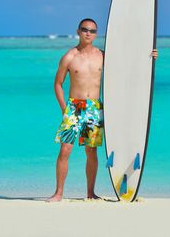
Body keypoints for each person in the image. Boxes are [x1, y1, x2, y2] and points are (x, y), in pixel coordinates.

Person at [46, 18, 158, 202]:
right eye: (84, 29)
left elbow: (127, 67)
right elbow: (58, 84)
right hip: (74, 108)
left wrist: (149, 56)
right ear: (78, 31)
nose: (88, 33)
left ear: (96, 34)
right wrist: (65, 109)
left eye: (92, 30)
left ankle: (90, 192)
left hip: (93, 108)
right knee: (65, 150)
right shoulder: (69, 57)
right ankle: (58, 193)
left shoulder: (103, 56)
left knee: (91, 152)